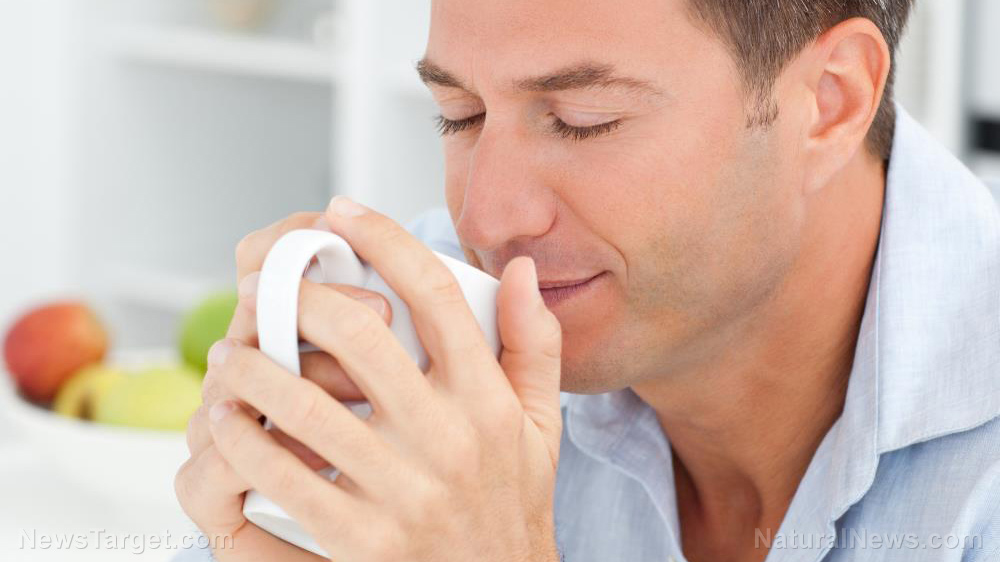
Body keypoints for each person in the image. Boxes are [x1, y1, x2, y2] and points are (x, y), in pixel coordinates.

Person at [173, 0, 1000, 560]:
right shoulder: (420, 328)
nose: (486, 220)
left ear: (829, 100)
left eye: (582, 121)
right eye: (460, 115)